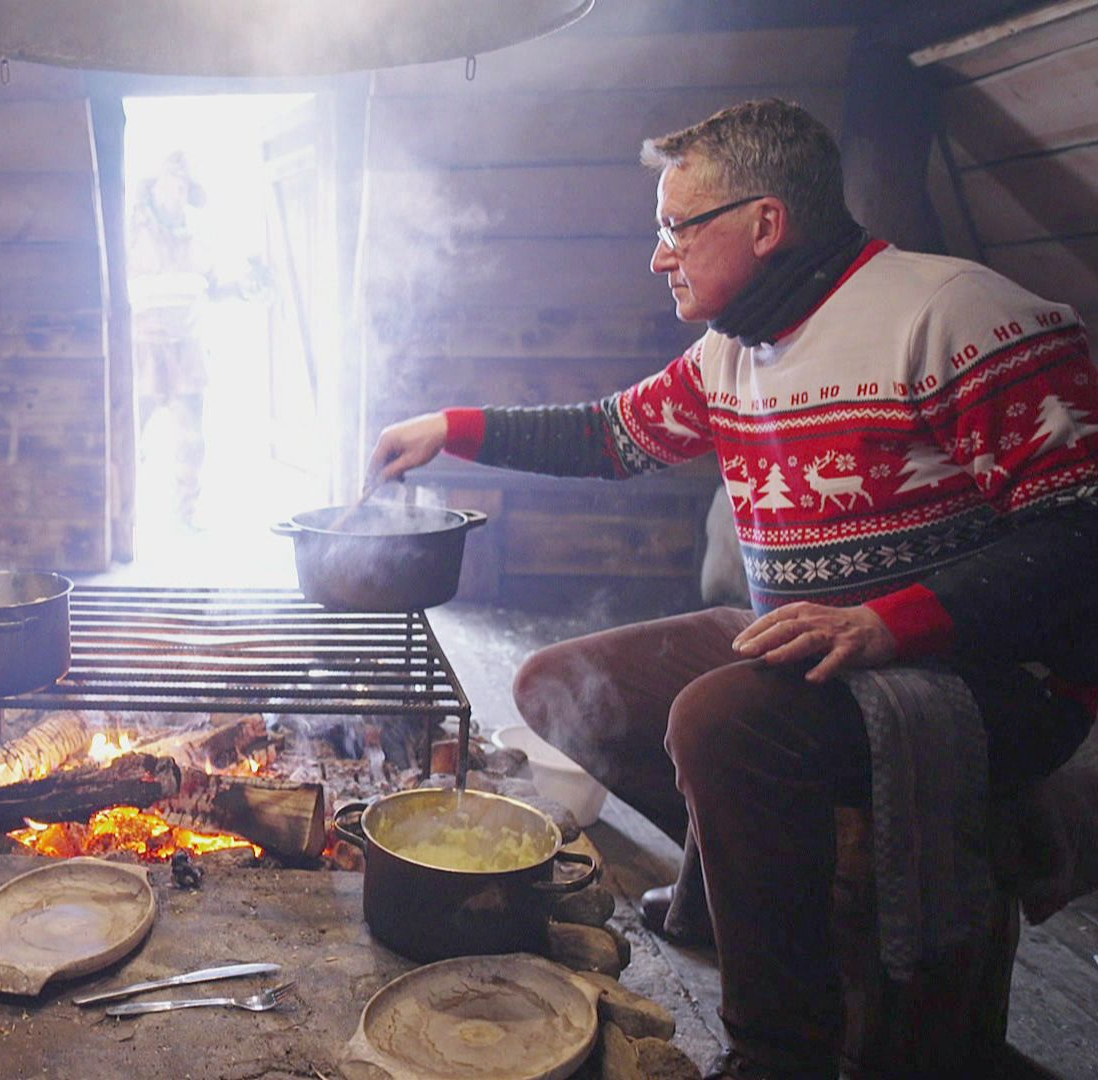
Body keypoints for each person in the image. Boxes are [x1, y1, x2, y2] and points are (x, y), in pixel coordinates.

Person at [367, 99, 1097, 1080]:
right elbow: (610, 434)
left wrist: (889, 623)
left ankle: (777, 1052)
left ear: (764, 223)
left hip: (982, 673)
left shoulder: (954, 313)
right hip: (811, 641)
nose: (658, 256)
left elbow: (1079, 531)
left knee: (718, 723)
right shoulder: (735, 350)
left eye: (677, 227)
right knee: (554, 684)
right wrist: (450, 428)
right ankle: (765, 890)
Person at [129, 150, 213, 528]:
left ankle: (186, 510)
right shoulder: (133, 227)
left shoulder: (195, 231)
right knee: (129, 432)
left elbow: (211, 279)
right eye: (173, 185)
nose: (178, 194)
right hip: (143, 344)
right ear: (157, 185)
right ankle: (124, 514)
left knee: (191, 437)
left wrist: (241, 285)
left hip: (186, 345)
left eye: (184, 187)